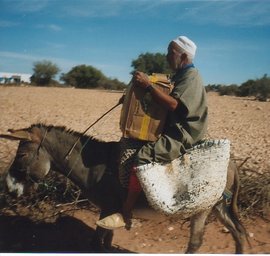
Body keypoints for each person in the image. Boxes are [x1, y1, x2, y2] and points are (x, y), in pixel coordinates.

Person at [96, 35, 208, 230]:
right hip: (172, 128)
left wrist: (147, 86)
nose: (166, 57)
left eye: (170, 53)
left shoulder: (192, 76)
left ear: (182, 56)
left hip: (182, 134)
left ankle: (127, 211)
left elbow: (173, 104)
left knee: (143, 156)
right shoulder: (180, 75)